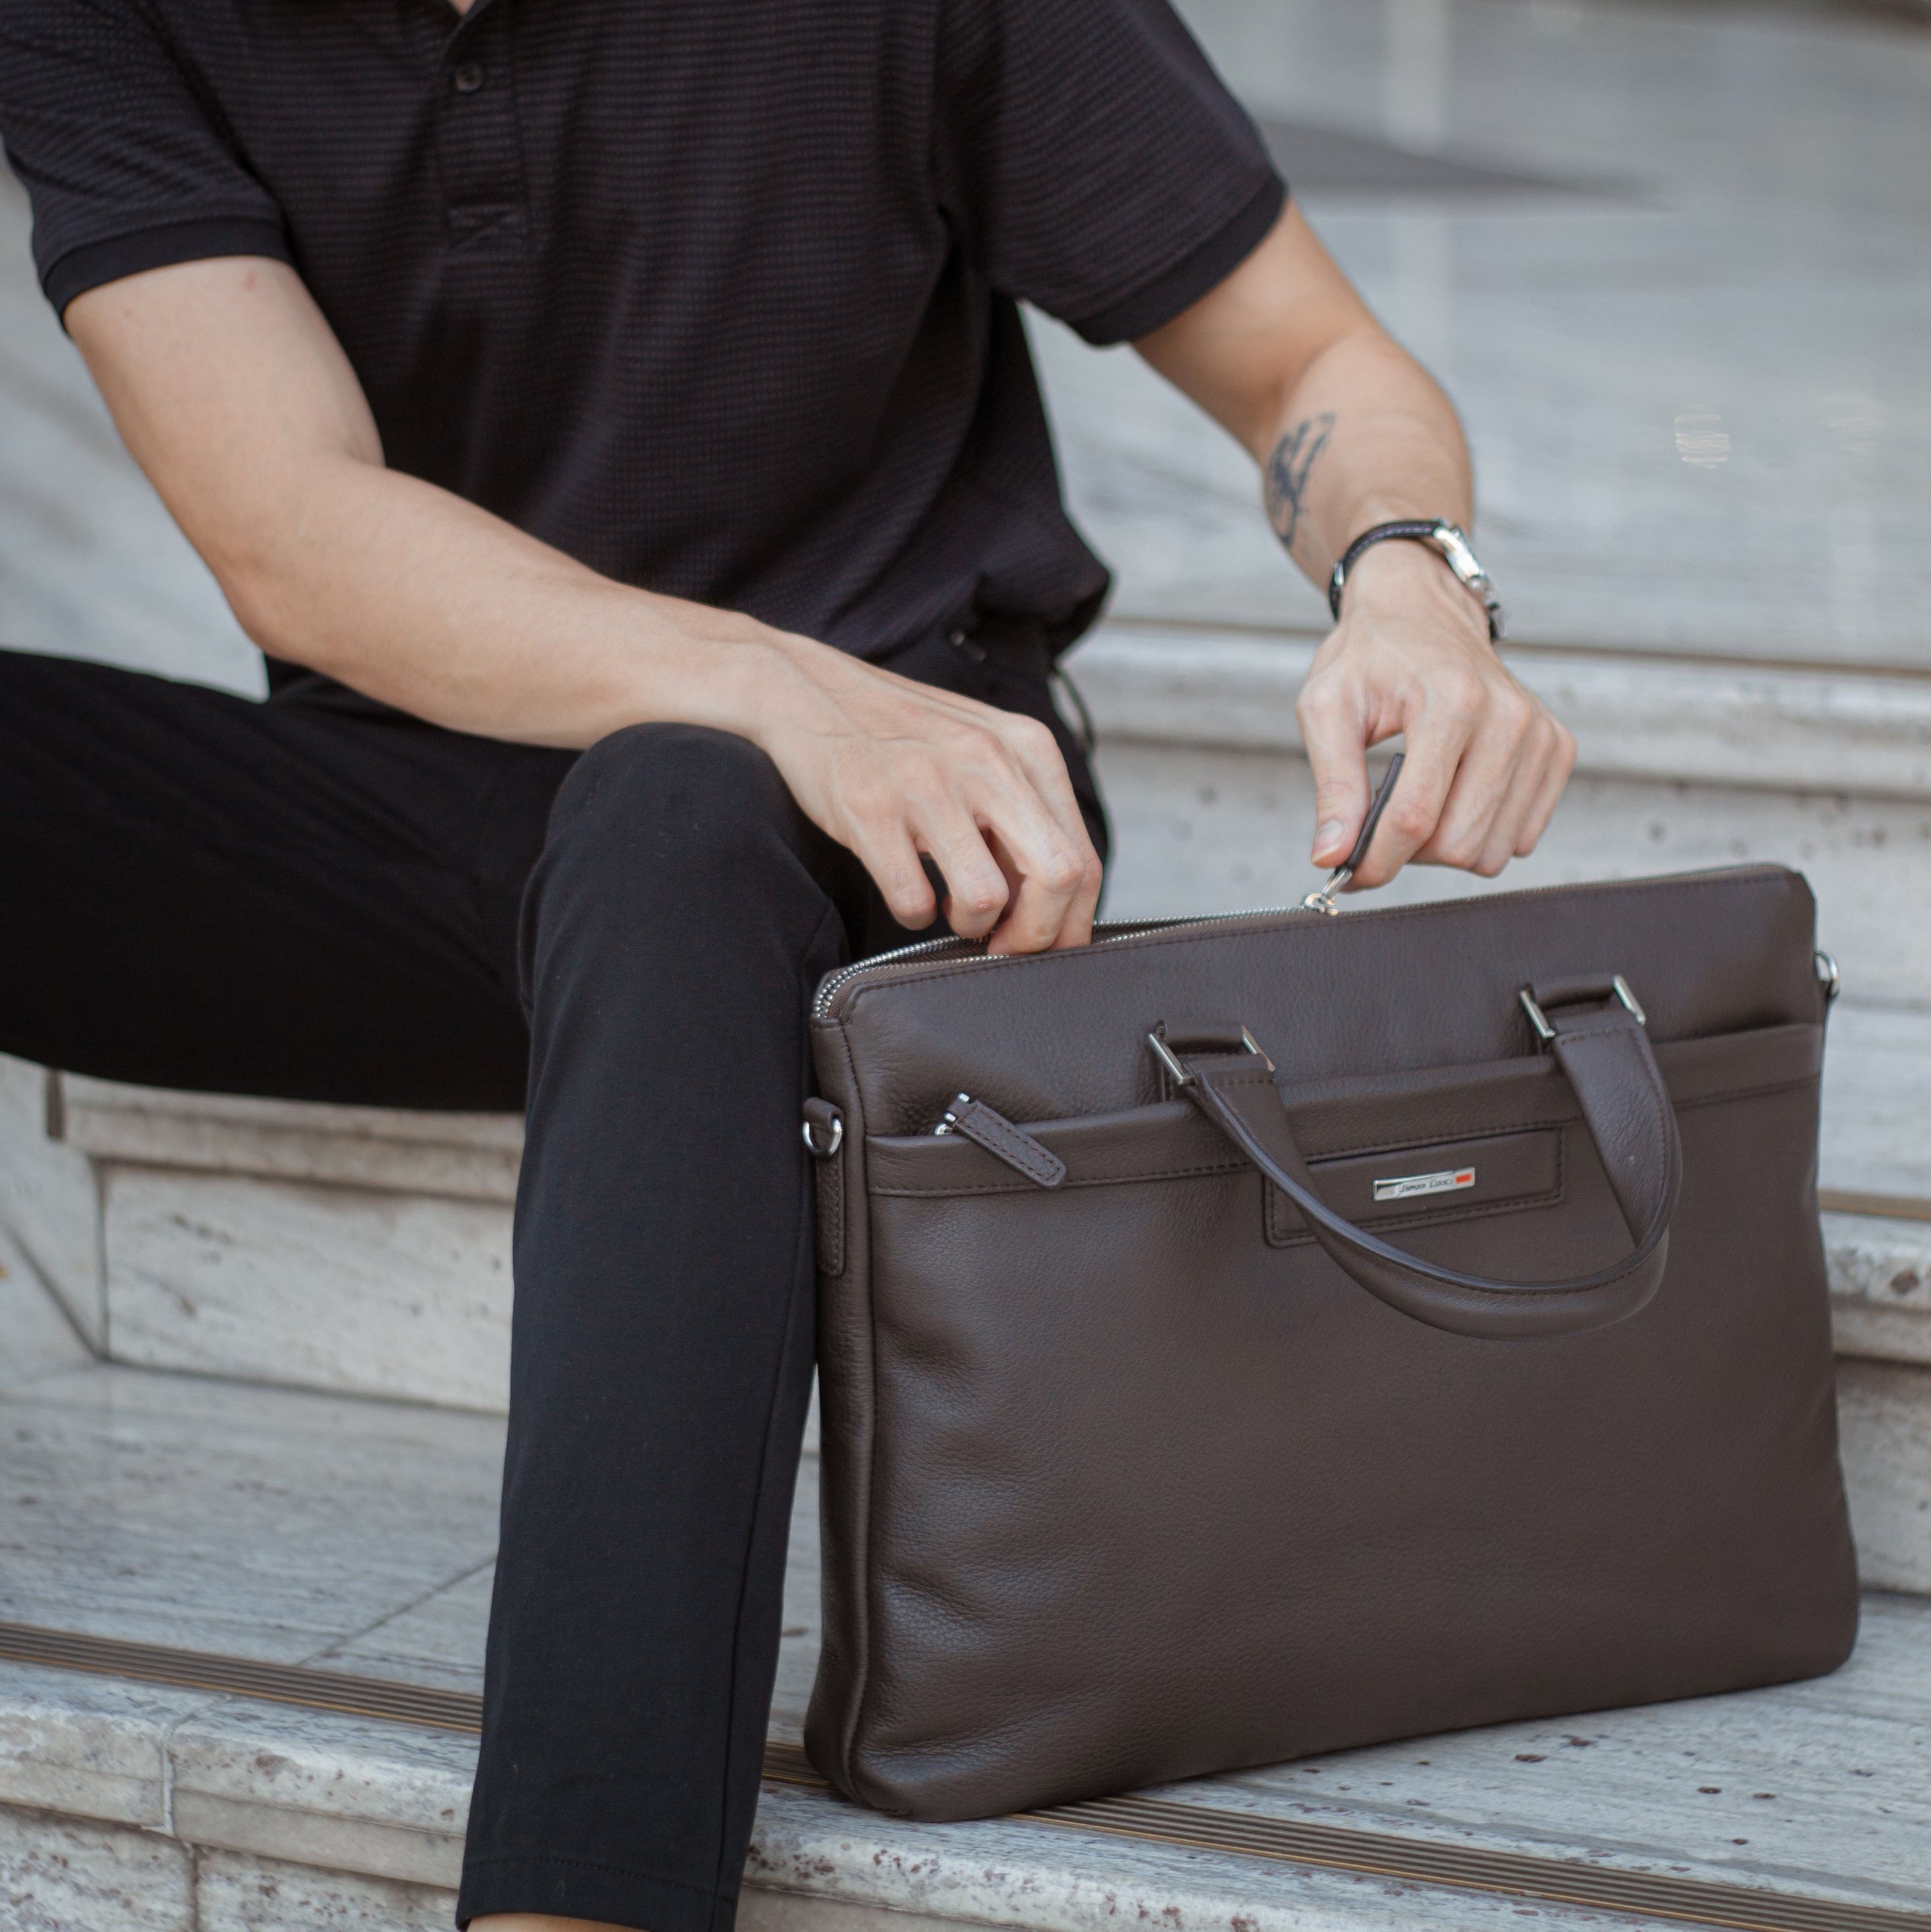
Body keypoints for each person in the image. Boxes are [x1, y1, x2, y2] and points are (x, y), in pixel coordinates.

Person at [0, 2, 1575, 1927]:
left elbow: (1309, 356)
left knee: (672, 812)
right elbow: (288, 527)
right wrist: (769, 684)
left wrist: (1409, 577)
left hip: (905, 838)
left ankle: (576, 1903)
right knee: (645, 786)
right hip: (436, 808)